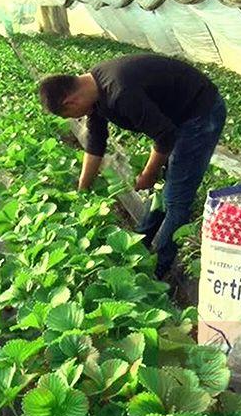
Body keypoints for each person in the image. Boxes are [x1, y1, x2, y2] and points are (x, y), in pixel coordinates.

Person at [37, 54, 226, 277]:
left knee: (176, 199)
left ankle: (155, 272)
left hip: (200, 113)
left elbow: (165, 136)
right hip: (176, 117)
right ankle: (137, 244)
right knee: (166, 191)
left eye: (70, 115)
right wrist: (82, 189)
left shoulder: (120, 91)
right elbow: (95, 143)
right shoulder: (95, 89)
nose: (76, 117)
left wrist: (149, 173)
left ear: (71, 102)